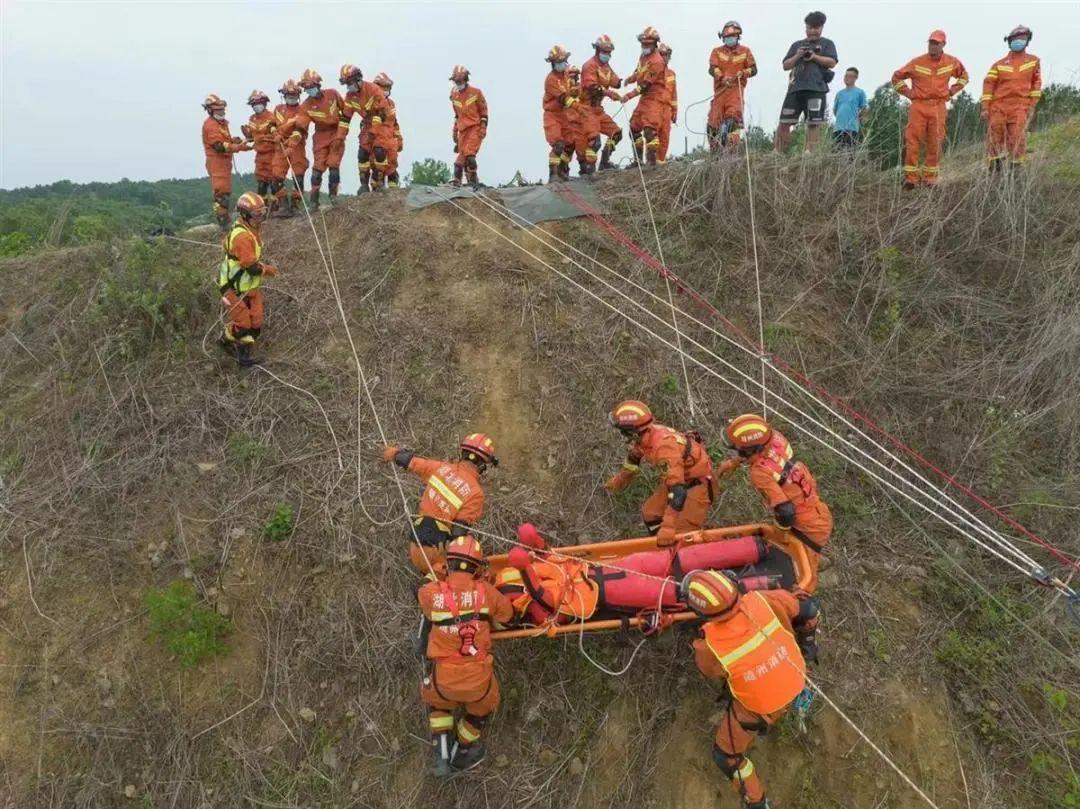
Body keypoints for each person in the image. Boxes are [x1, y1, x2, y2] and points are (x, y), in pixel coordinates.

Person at [685, 569, 819, 809]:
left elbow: (710, 670)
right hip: (797, 676)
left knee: (726, 757)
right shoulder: (762, 600)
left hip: (762, 708)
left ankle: (756, 801)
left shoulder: (709, 645)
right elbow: (808, 609)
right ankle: (800, 696)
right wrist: (808, 648)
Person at [497, 523, 771, 626]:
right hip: (614, 582)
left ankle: (754, 555)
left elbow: (542, 555)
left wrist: (531, 543)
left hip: (618, 574)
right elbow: (541, 594)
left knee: (682, 569)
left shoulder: (530, 585)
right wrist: (525, 564)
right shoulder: (536, 600)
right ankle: (760, 576)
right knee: (681, 587)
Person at [418, 536, 514, 776]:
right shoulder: (486, 593)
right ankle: (463, 748)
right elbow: (508, 617)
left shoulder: (432, 594)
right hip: (477, 681)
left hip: (444, 680)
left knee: (438, 703)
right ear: (477, 566)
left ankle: (440, 755)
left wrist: (439, 573)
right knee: (483, 706)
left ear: (448, 563)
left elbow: (423, 591)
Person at [715, 415, 832, 593]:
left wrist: (780, 534)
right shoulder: (776, 438)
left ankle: (807, 601)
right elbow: (763, 453)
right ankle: (810, 555)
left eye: (738, 450)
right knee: (782, 544)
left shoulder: (759, 473)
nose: (737, 452)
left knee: (803, 583)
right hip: (816, 508)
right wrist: (734, 462)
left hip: (808, 528)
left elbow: (785, 512)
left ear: (750, 450)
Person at [380, 434, 498, 576]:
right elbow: (458, 536)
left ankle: (429, 581)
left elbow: (409, 461)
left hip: (416, 544)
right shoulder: (476, 493)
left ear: (462, 453)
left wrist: (393, 453)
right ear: (483, 465)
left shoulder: (441, 468)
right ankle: (430, 583)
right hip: (437, 551)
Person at [604, 400, 716, 545]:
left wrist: (668, 526)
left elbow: (678, 492)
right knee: (650, 514)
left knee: (683, 535)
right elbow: (633, 460)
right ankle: (662, 547)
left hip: (697, 486)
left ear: (632, 432)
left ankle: (680, 552)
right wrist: (617, 482)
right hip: (681, 480)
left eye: (622, 431)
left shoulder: (663, 447)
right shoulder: (646, 437)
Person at [892, 31, 970, 188]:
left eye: (936, 43)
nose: (932, 46)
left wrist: (952, 91)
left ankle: (930, 179)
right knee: (912, 141)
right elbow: (896, 77)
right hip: (918, 106)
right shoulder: (917, 62)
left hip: (938, 106)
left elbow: (964, 77)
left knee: (935, 142)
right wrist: (908, 93)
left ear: (943, 45)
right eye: (931, 43)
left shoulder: (952, 62)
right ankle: (910, 179)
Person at [217, 192, 278, 367]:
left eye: (263, 212)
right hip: (232, 288)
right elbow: (251, 268)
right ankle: (236, 349)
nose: (262, 217)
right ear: (245, 215)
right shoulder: (243, 237)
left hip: (248, 287)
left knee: (256, 323)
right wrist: (268, 270)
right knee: (243, 324)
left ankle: (233, 342)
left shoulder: (249, 230)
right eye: (258, 214)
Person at [276, 69, 345, 209]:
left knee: (333, 166)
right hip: (320, 135)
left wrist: (343, 133)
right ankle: (314, 202)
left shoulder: (332, 94)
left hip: (336, 132)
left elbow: (346, 111)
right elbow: (301, 128)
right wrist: (292, 144)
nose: (309, 90)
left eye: (311, 87)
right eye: (307, 88)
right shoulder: (305, 106)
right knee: (316, 171)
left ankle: (333, 197)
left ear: (318, 84)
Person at [776, 11, 838, 154]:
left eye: (816, 28)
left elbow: (832, 62)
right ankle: (778, 153)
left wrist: (814, 57)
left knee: (813, 123)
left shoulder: (827, 44)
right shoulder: (797, 45)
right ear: (806, 28)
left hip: (816, 88)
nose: (812, 31)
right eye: (810, 28)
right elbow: (786, 65)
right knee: (785, 122)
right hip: (795, 88)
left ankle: (810, 154)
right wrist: (798, 55)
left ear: (821, 28)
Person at [982, 25, 1042, 173]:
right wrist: (985, 108)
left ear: (1028, 40)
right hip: (998, 107)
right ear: (1009, 41)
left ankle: (1016, 173)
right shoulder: (999, 65)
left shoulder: (1033, 61)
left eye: (1022, 38)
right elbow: (988, 86)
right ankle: (995, 173)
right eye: (1016, 38)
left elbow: (1036, 84)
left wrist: (1032, 105)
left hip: (1020, 106)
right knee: (995, 138)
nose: (1019, 41)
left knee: (1017, 139)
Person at [337, 64, 392, 194]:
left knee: (379, 151)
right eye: (346, 83)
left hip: (381, 123)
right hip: (367, 124)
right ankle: (364, 185)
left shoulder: (373, 89)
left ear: (358, 79)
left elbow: (382, 112)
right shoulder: (350, 97)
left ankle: (379, 181)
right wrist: (340, 137)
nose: (349, 86)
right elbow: (345, 118)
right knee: (362, 153)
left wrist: (374, 130)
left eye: (350, 82)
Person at [201, 95, 252, 232]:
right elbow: (219, 146)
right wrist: (238, 147)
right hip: (216, 162)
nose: (221, 113)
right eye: (218, 111)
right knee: (221, 193)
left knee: (226, 192)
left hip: (224, 162)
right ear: (210, 111)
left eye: (222, 110)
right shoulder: (210, 125)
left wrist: (237, 141)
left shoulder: (222, 124)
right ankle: (223, 222)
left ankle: (225, 219)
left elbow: (226, 141)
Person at [621, 27, 668, 166]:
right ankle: (638, 160)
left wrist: (628, 96)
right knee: (633, 128)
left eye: (647, 44)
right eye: (643, 44)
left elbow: (645, 85)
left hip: (655, 99)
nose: (644, 46)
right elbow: (638, 71)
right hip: (644, 99)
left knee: (649, 130)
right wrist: (630, 78)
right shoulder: (643, 57)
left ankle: (652, 162)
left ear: (654, 44)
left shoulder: (657, 61)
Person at [708, 21, 757, 152]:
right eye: (727, 37)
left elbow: (754, 69)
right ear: (723, 37)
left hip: (735, 91)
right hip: (720, 92)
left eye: (733, 36)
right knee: (712, 124)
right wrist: (722, 78)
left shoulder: (745, 52)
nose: (730, 39)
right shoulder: (717, 52)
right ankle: (714, 153)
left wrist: (745, 72)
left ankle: (732, 152)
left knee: (732, 121)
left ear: (738, 36)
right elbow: (712, 69)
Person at [580, 35, 624, 171]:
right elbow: (592, 87)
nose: (607, 55)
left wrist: (629, 80)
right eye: (605, 52)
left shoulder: (606, 67)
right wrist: (608, 93)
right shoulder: (589, 66)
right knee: (594, 141)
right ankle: (589, 170)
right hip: (587, 109)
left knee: (616, 133)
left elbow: (615, 81)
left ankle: (604, 162)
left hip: (599, 110)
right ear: (597, 50)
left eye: (609, 53)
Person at [272, 79, 308, 218]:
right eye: (289, 96)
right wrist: (274, 132)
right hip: (280, 146)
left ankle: (296, 206)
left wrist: (292, 143)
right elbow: (272, 124)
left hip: (297, 146)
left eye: (294, 96)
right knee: (276, 176)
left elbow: (301, 130)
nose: (291, 98)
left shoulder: (303, 110)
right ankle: (283, 206)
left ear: (298, 96)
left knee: (298, 175)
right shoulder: (278, 109)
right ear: (284, 95)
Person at [449, 65, 488, 188]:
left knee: (469, 154)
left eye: (460, 81)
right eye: (456, 81)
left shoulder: (476, 93)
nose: (459, 83)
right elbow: (457, 115)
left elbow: (484, 112)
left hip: (475, 128)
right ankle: (457, 181)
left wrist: (483, 127)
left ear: (466, 79)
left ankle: (473, 180)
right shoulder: (454, 95)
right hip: (462, 130)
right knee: (460, 160)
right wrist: (455, 130)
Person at [542, 45, 577, 182]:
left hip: (565, 114)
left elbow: (574, 90)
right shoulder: (550, 80)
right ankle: (553, 174)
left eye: (563, 61)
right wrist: (578, 108)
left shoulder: (568, 74)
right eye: (558, 62)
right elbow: (564, 98)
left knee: (571, 144)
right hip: (552, 115)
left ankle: (563, 168)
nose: (561, 65)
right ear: (552, 64)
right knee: (558, 144)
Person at [242, 90, 280, 209]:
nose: (256, 106)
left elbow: (277, 134)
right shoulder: (252, 119)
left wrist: (264, 137)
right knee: (261, 183)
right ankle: (262, 208)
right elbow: (252, 137)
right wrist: (246, 137)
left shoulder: (271, 117)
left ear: (264, 103)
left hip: (272, 153)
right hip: (260, 155)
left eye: (258, 103)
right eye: (254, 104)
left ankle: (275, 209)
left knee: (274, 181)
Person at [373, 72, 405, 187]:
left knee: (392, 164)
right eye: (384, 88)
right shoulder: (373, 102)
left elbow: (395, 123)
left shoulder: (391, 104)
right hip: (378, 137)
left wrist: (399, 138)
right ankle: (377, 186)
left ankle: (393, 190)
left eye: (388, 88)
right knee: (379, 161)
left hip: (391, 138)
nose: (386, 90)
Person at [831, 68, 868, 153]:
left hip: (852, 128)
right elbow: (835, 110)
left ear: (855, 78)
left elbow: (864, 108)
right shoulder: (839, 94)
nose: (847, 78)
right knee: (836, 153)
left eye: (850, 76)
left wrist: (858, 119)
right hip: (838, 128)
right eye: (846, 76)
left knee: (850, 154)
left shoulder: (860, 92)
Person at [656, 43, 678, 163]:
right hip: (654, 108)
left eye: (666, 55)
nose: (664, 58)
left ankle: (661, 161)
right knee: (653, 137)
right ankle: (651, 162)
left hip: (667, 110)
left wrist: (674, 111)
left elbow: (674, 94)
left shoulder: (672, 74)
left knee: (665, 136)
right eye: (662, 55)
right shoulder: (652, 72)